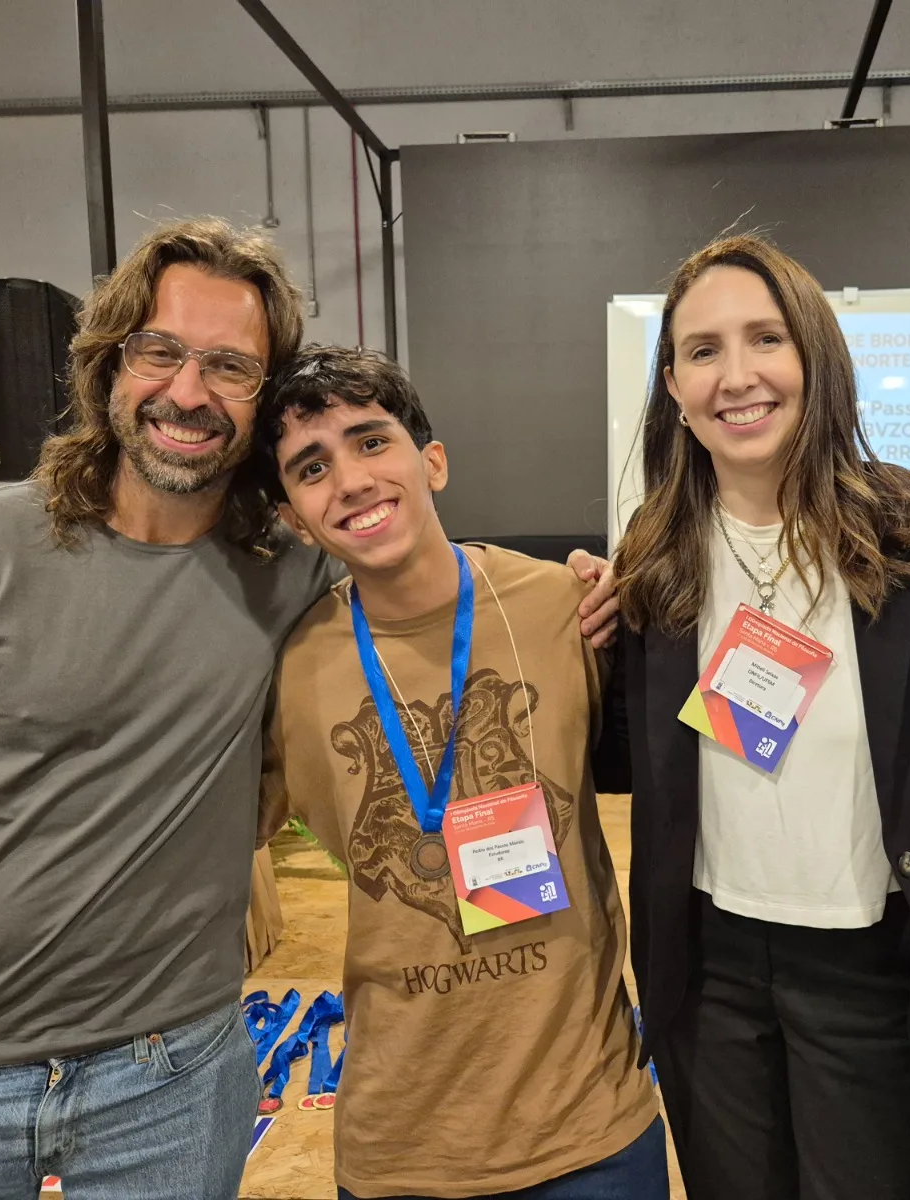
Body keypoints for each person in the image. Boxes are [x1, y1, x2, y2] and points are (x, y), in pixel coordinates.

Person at [0, 218, 617, 1200]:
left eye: (231, 367)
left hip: (172, 1080)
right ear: (112, 362)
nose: (188, 391)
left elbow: (423, 592)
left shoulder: (291, 573)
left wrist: (591, 585)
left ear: (262, 397)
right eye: (160, 351)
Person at [610, 234, 910, 1200]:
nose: (738, 376)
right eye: (702, 351)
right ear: (676, 391)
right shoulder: (653, 561)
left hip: (875, 971)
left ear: (814, 357)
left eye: (764, 338)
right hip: (710, 972)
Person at [255, 345, 665, 1200]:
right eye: (311, 467)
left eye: (372, 442)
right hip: (402, 1146)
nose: (352, 480)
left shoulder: (568, 607)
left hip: (588, 1131)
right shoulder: (286, 670)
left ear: (431, 461)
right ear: (294, 517)